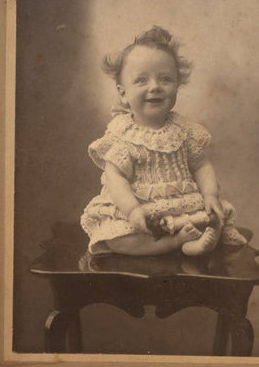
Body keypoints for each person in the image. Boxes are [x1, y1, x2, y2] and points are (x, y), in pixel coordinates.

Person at [80, 26, 247, 256]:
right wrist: (132, 211)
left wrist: (209, 195)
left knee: (213, 216)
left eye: (165, 79)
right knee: (118, 239)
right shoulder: (124, 135)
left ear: (177, 85)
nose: (155, 87)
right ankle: (174, 243)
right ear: (122, 93)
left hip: (183, 206)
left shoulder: (184, 130)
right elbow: (115, 176)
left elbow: (201, 165)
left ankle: (192, 245)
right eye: (141, 80)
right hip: (142, 211)